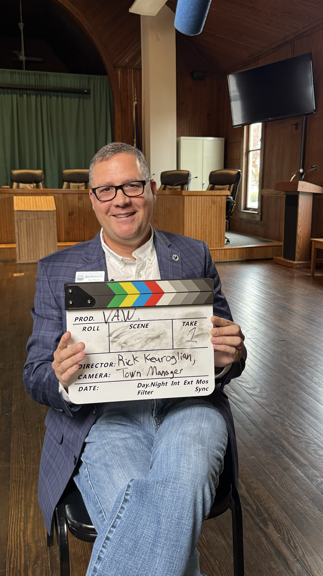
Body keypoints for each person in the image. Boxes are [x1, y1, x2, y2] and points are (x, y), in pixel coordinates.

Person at [24, 142, 246, 576]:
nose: (120, 199)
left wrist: (228, 355)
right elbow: (35, 377)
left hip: (191, 409)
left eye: (131, 186)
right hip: (104, 418)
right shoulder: (57, 269)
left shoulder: (194, 254)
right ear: (92, 199)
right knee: (154, 506)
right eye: (106, 190)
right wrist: (60, 375)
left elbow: (231, 356)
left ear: (151, 189)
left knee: (179, 481)